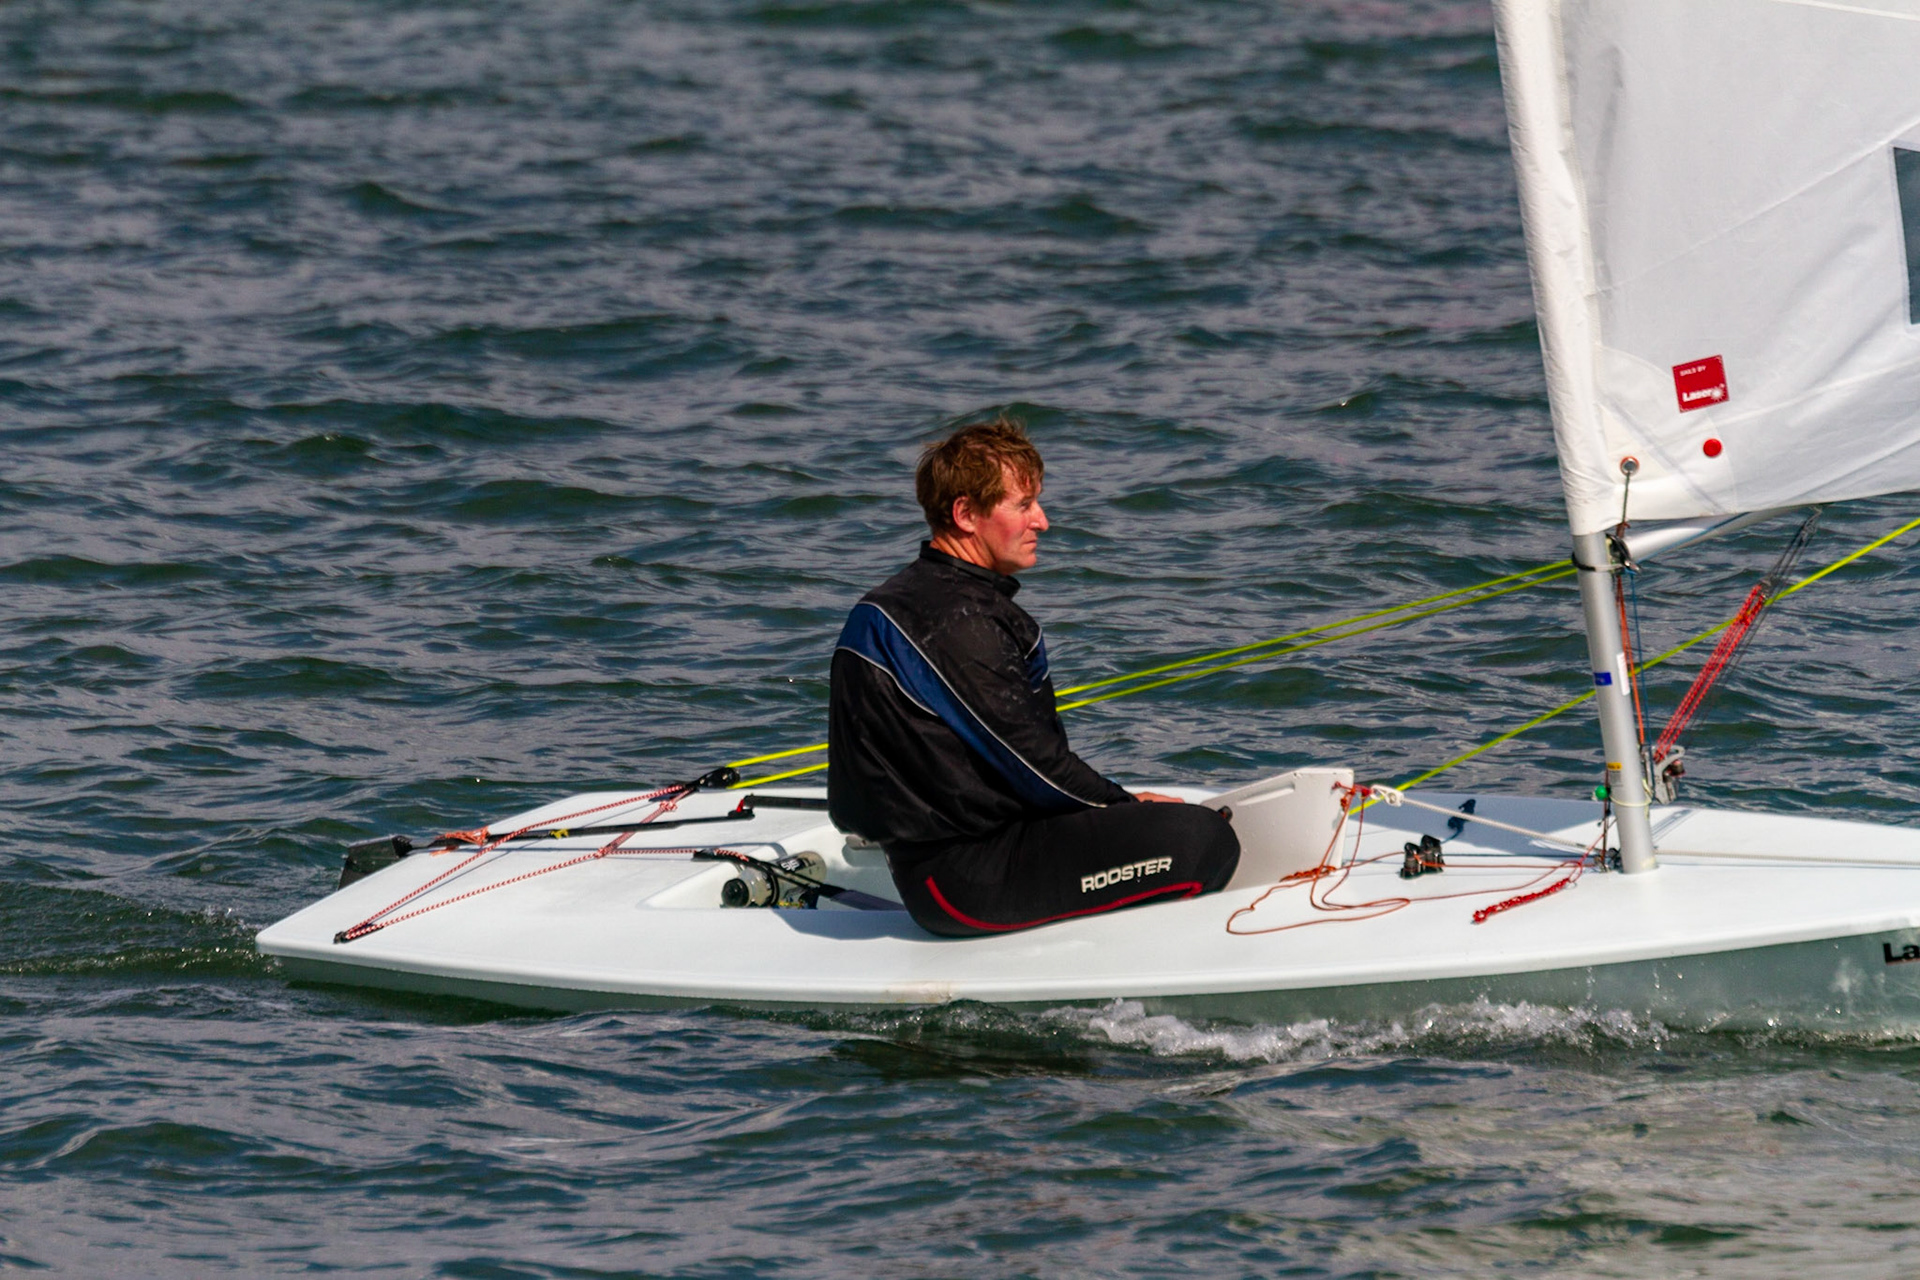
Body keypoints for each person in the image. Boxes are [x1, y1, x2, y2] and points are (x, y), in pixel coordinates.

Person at [828, 416, 1239, 937]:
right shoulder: (955, 621)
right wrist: (1124, 805)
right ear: (966, 514)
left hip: (965, 854)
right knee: (1201, 839)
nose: (1041, 521)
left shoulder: (915, 602)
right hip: (965, 880)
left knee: (1174, 820)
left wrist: (1119, 811)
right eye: (1023, 505)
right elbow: (1032, 763)